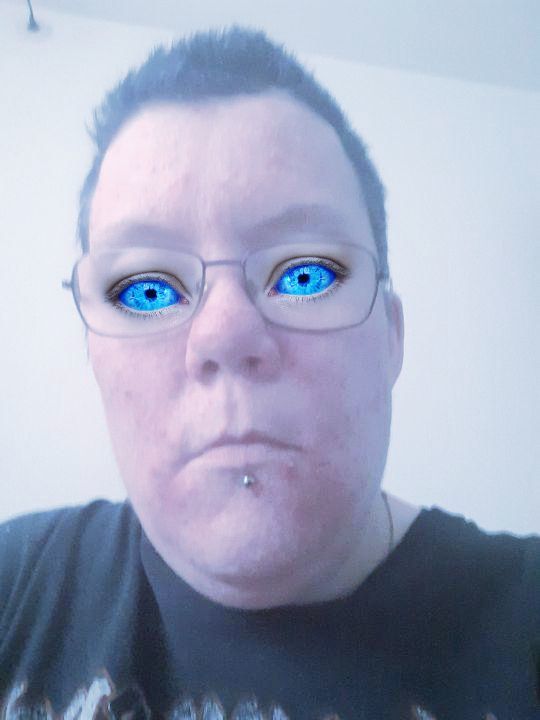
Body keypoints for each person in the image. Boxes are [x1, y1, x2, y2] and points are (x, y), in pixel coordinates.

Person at [0, 27, 538, 720]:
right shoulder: (15, 585)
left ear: (391, 336)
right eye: (147, 289)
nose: (224, 335)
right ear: (92, 352)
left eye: (305, 274)